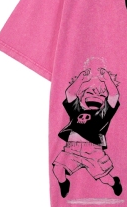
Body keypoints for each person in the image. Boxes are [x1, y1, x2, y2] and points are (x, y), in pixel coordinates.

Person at [52, 57, 122, 198]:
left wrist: (107, 79)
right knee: (57, 169)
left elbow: (114, 95)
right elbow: (70, 94)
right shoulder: (76, 110)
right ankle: (64, 183)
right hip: (71, 149)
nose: (96, 96)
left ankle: (114, 182)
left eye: (101, 95)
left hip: (93, 151)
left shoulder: (103, 114)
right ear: (81, 96)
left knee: (104, 178)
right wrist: (81, 79)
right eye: (90, 93)